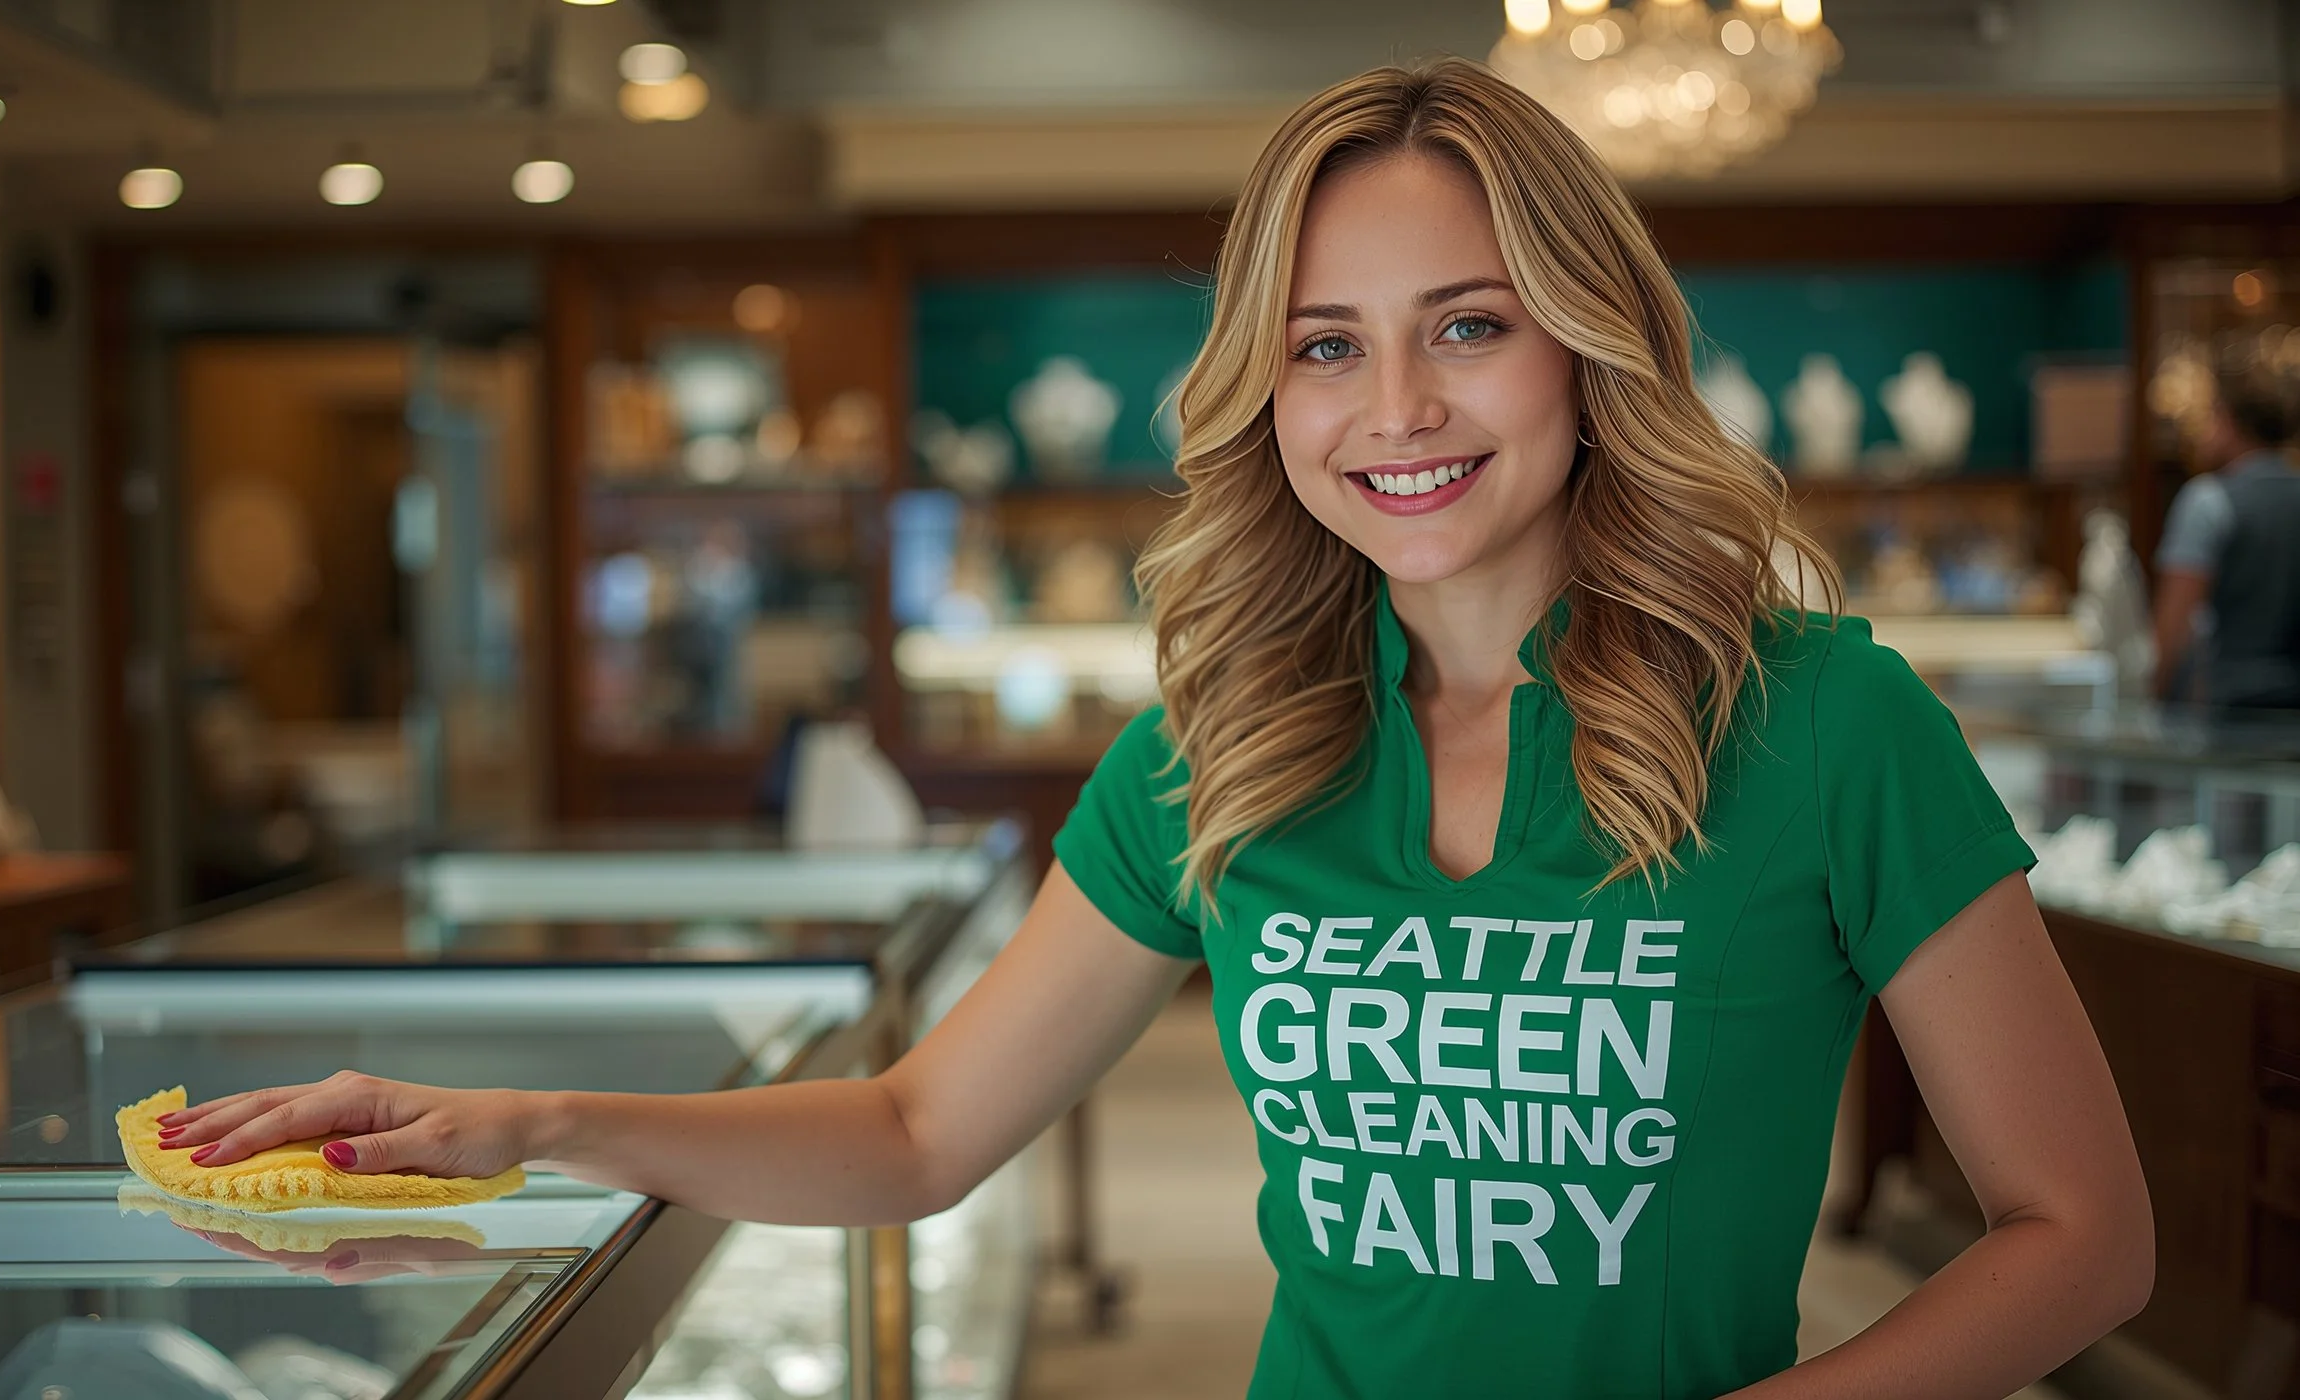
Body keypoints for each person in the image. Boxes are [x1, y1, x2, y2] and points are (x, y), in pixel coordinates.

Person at [158, 60, 2151, 1399]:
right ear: (1260, 396)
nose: (1397, 407)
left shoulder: (1823, 722)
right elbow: (920, 1128)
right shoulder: (1220, 752)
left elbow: (2080, 1235)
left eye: (1465, 322)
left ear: (1581, 341)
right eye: (1323, 345)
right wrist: (536, 1122)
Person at [2152, 369, 2300, 709]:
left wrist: (2156, 695)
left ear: (2229, 422)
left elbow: (2175, 620)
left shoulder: (2208, 500)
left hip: (2230, 703)